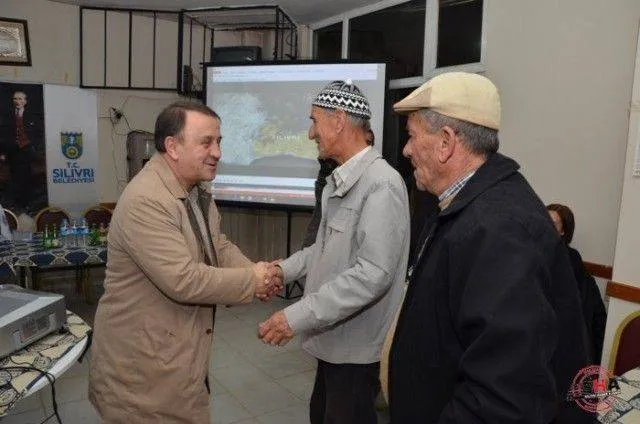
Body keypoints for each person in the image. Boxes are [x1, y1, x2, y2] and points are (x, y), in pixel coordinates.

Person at [385, 72, 593, 423]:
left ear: (446, 142)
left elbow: (502, 399)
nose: (406, 150)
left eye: (412, 136)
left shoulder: (500, 229)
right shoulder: (469, 206)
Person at [89, 101, 282, 422]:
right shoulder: (146, 199)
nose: (217, 152)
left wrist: (253, 272)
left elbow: (216, 245)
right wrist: (252, 281)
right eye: (206, 142)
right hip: (142, 378)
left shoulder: (195, 190)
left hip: (176, 360)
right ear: (172, 147)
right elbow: (183, 279)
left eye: (218, 141)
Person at [258, 80, 410, 424]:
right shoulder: (339, 181)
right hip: (333, 342)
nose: (311, 133)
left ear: (339, 120)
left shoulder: (381, 184)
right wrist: (283, 270)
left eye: (315, 121)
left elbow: (371, 275)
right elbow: (323, 249)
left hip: (355, 351)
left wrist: (294, 317)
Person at [548, 203, 607, 363]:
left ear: (563, 231)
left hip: (560, 337)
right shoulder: (529, 250)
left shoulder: (570, 258)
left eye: (553, 223)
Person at [0, 91, 42, 210]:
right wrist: (2, 152)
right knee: (14, 177)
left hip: (28, 150)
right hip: (13, 151)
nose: (17, 101)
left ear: (25, 101)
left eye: (20, 99)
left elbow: (38, 133)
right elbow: (3, 135)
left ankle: (28, 204)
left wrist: (33, 145)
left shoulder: (32, 116)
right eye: (15, 99)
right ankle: (16, 204)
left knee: (27, 177)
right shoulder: (8, 116)